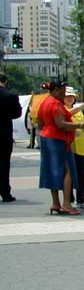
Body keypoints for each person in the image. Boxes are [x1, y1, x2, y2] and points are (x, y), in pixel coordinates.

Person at [38, 80, 84, 215]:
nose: (64, 95)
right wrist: (80, 125)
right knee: (67, 170)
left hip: (46, 137)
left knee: (52, 170)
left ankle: (56, 202)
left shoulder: (44, 102)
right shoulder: (56, 104)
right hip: (58, 139)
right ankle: (66, 203)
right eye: (62, 92)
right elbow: (61, 124)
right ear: (56, 90)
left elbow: (40, 123)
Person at [64, 87, 84, 209]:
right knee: (68, 174)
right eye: (67, 97)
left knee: (80, 175)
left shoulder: (79, 112)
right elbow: (67, 117)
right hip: (69, 147)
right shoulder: (63, 109)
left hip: (80, 147)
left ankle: (80, 199)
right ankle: (69, 198)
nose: (69, 99)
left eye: (71, 97)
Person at [0, 72, 22, 202]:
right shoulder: (11, 96)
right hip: (4, 134)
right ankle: (5, 192)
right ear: (5, 81)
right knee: (4, 163)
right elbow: (17, 113)